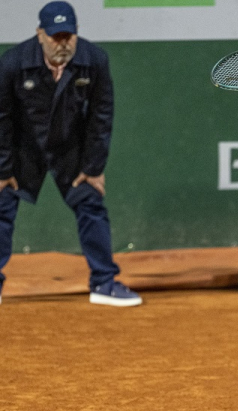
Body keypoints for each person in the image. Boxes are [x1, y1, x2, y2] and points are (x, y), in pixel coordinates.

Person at [0, 1, 141, 307]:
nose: (62, 43)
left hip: (70, 150)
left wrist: (92, 168)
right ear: (40, 34)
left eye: (68, 36)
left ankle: (104, 283)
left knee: (91, 204)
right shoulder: (12, 62)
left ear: (76, 33)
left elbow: (101, 116)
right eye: (55, 37)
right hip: (23, 151)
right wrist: (2, 170)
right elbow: (2, 119)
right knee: (1, 209)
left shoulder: (95, 60)